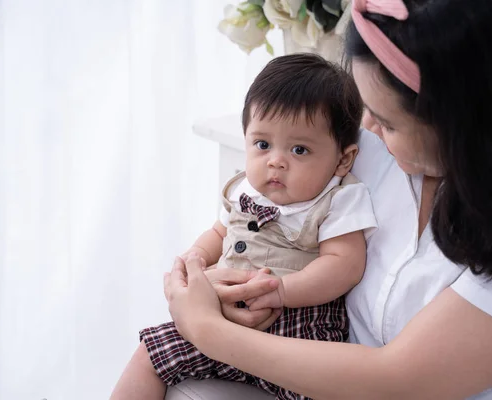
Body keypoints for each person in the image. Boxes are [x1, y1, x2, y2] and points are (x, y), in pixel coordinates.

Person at [113, 0, 492, 398]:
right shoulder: (369, 153)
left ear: (467, 123)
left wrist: (206, 328)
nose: (367, 130)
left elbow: (398, 379)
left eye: (387, 121)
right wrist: (200, 282)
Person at [110, 53, 377, 400]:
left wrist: (282, 290)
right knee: (151, 352)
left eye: (299, 149)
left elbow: (345, 264)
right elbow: (219, 233)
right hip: (225, 317)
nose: (275, 161)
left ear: (342, 159)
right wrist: (195, 260)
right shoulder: (245, 189)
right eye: (262, 144)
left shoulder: (339, 198)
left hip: (300, 328)